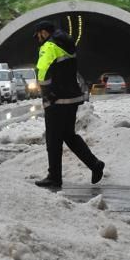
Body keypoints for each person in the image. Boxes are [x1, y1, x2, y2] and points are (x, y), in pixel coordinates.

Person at [32, 20, 104, 189]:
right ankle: (95, 164)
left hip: (56, 98)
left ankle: (54, 177)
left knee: (53, 139)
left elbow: (42, 72)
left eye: (38, 35)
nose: (38, 39)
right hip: (71, 97)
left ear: (43, 32)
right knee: (68, 135)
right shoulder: (66, 43)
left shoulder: (49, 46)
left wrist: (47, 94)